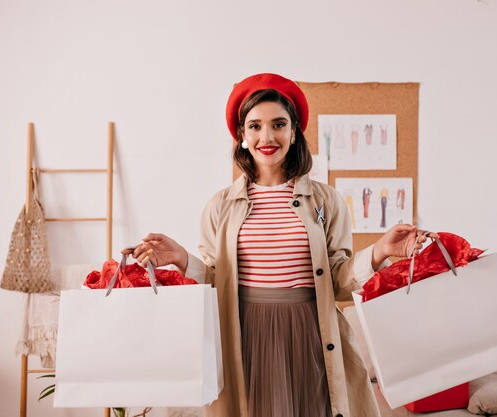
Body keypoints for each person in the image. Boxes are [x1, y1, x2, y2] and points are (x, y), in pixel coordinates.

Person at [126, 73, 432, 417]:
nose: (266, 136)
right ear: (242, 134)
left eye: (278, 124)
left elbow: (339, 284)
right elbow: (217, 285)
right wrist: (183, 259)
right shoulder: (220, 206)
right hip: (245, 335)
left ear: (294, 131)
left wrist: (378, 252)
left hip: (310, 333)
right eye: (255, 126)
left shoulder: (326, 201)